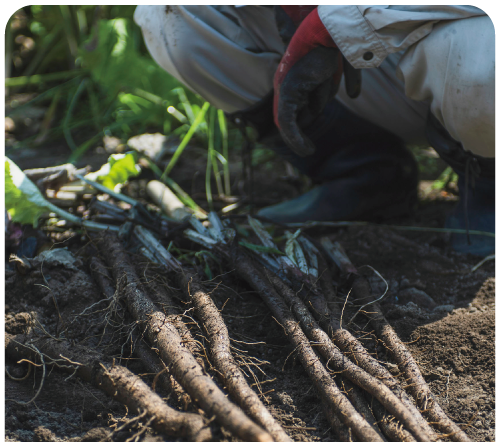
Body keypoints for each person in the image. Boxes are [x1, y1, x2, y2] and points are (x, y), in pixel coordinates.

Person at [134, 5, 496, 256]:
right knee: (174, 18)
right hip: (379, 67)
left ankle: (488, 184)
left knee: (480, 63)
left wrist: (333, 26)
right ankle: (364, 171)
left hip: (456, 41)